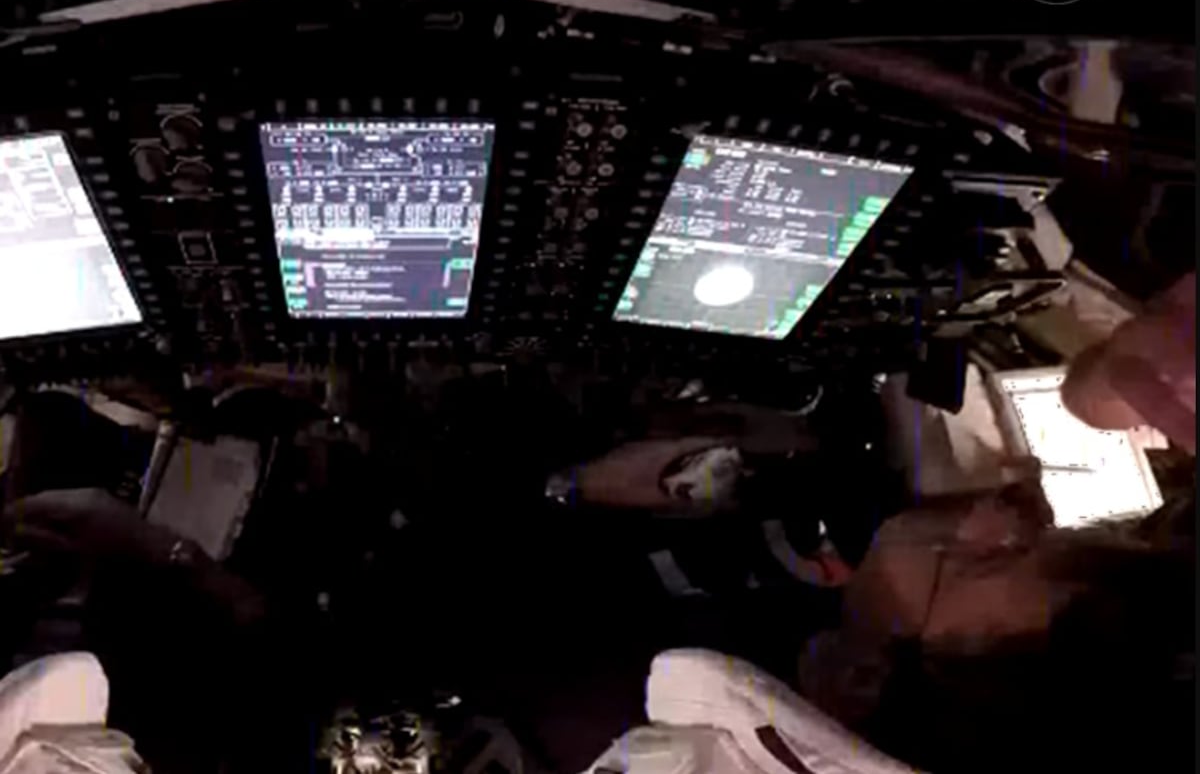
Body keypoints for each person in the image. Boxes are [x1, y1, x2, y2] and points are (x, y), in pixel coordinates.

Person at [0, 273, 1193, 773]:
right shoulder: (841, 568)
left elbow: (368, 624)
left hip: (373, 569)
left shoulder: (612, 701)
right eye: (1051, 527)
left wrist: (150, 549)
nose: (1005, 507)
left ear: (863, 680)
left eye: (991, 559)